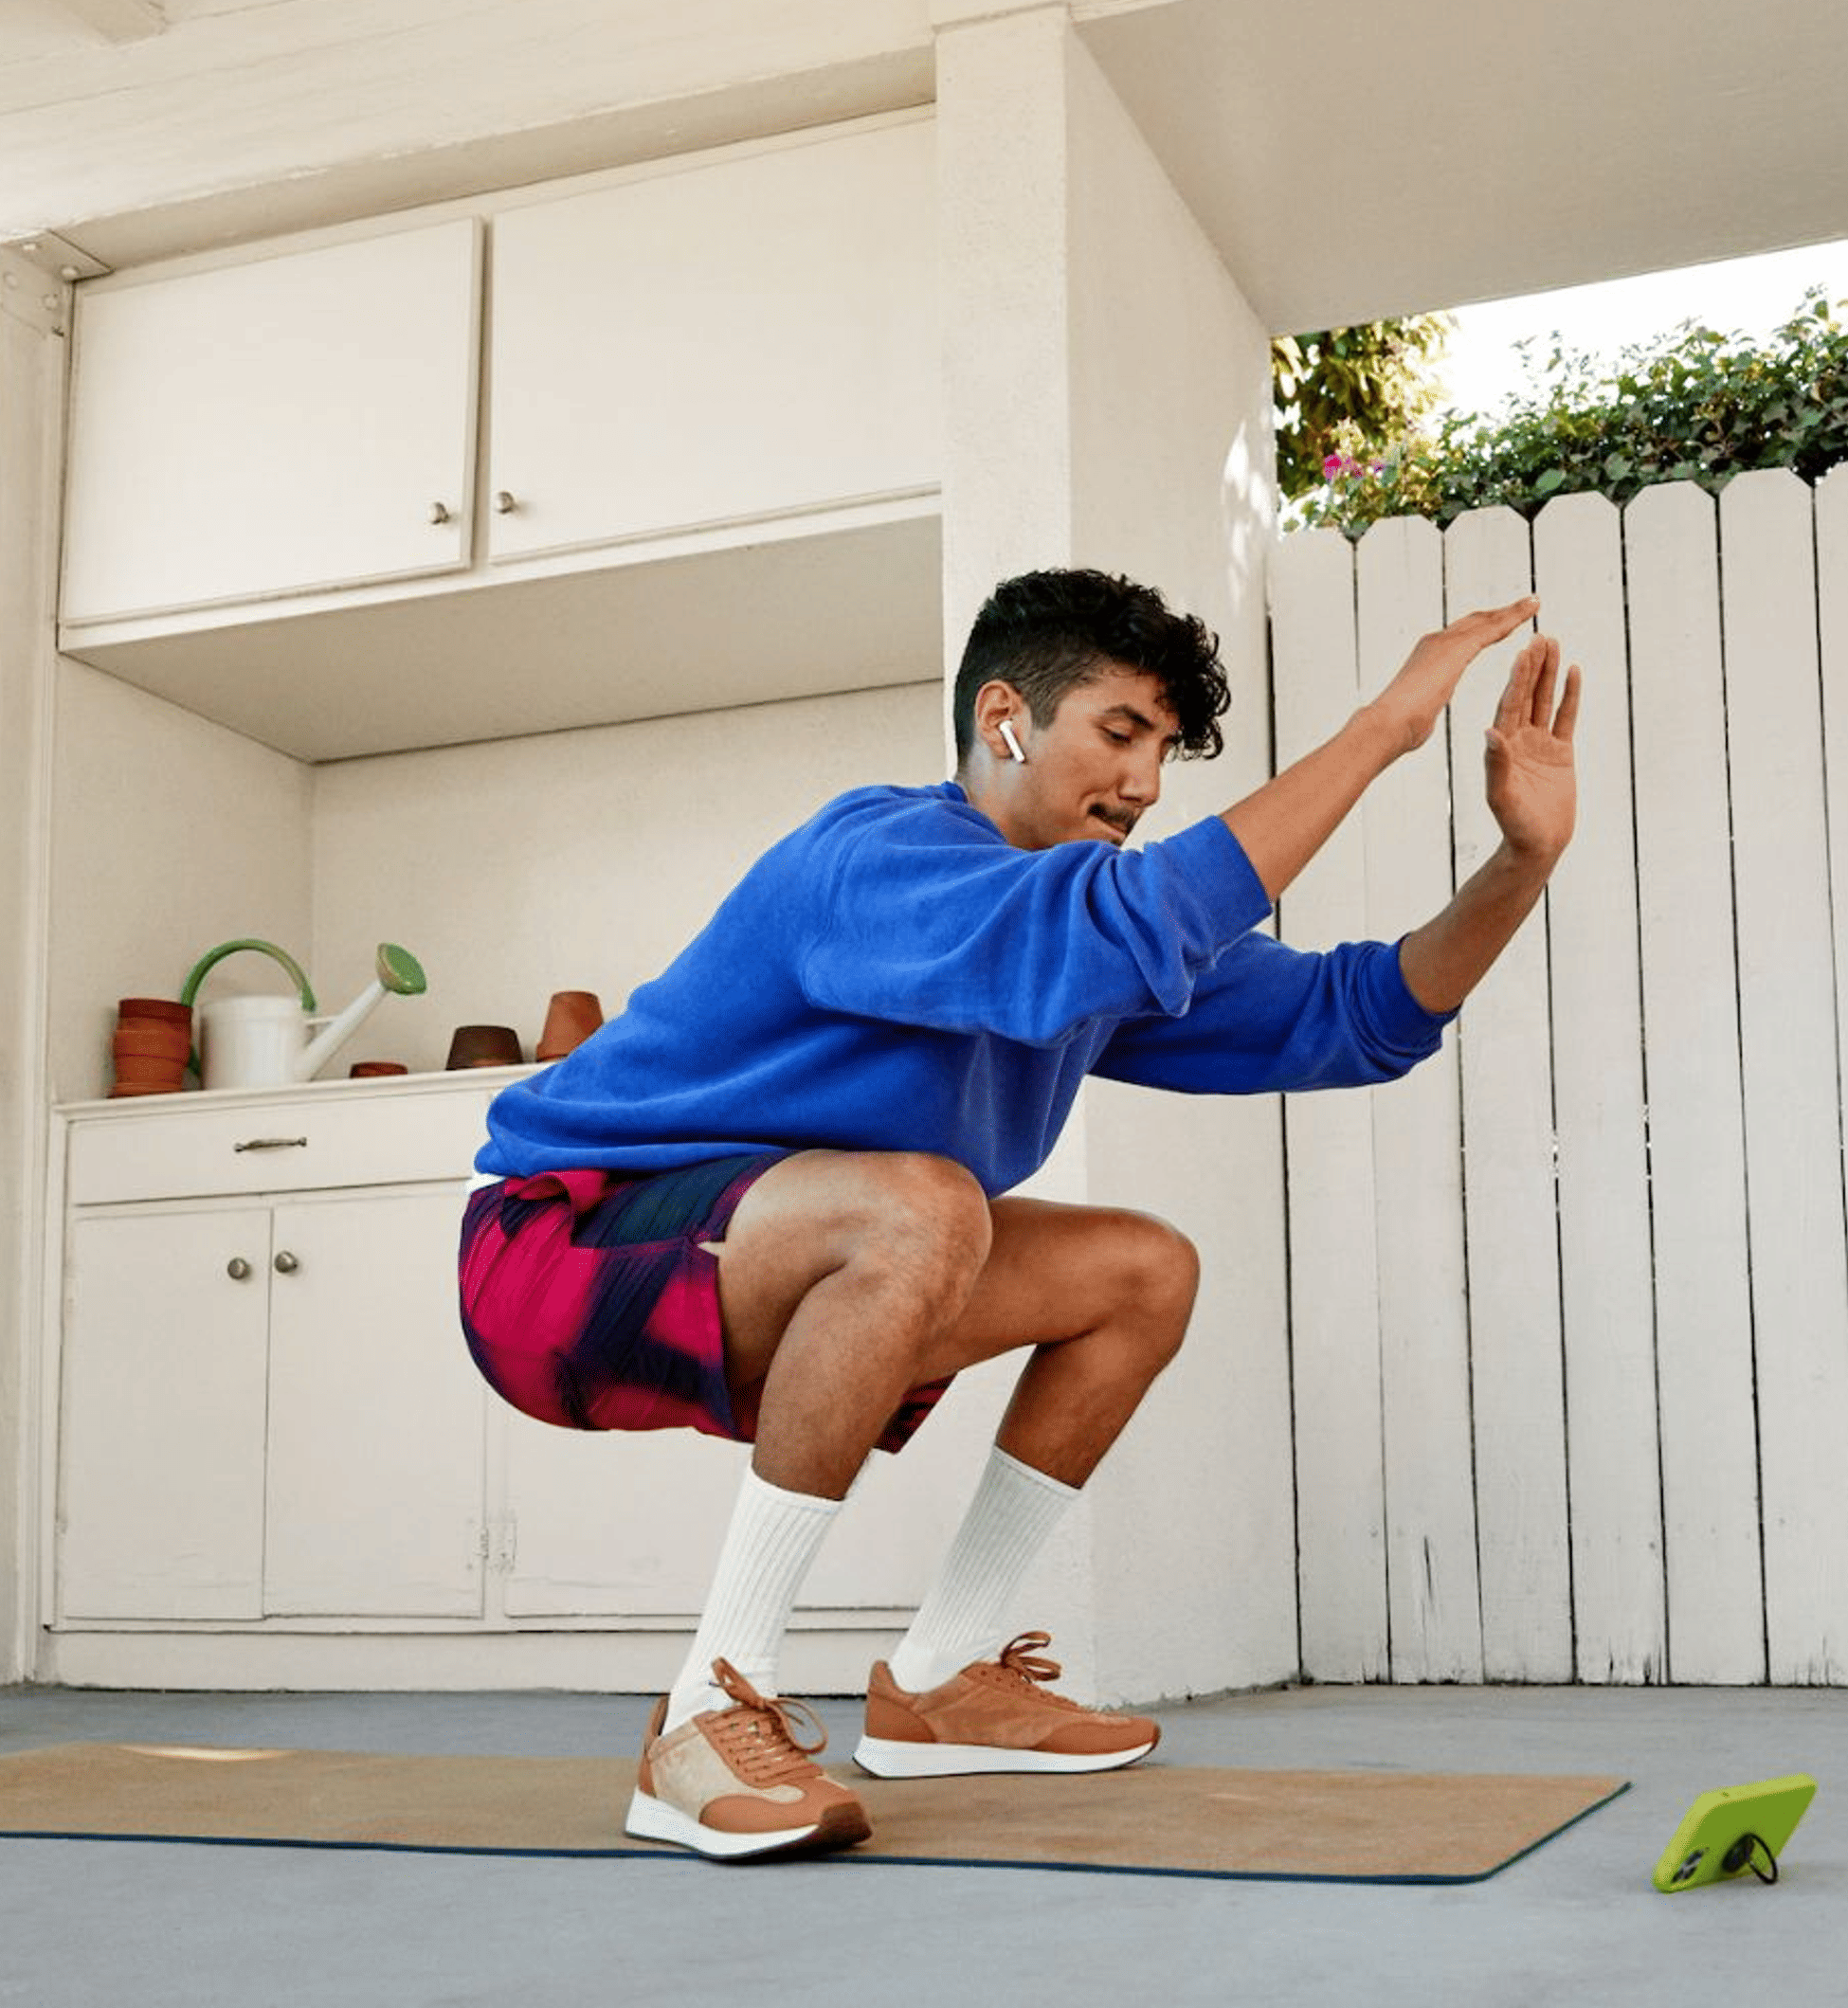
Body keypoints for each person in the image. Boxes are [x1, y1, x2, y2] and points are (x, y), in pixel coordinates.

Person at [454, 565, 1580, 1861]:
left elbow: (1359, 1020)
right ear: (1005, 717)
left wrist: (1522, 858)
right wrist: (1382, 731)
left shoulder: (1076, 923)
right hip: (562, 1252)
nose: (1147, 785)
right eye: (1119, 733)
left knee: (1139, 1270)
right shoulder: (874, 857)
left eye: (1164, 750)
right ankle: (708, 1710)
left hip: (771, 1252)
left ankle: (940, 1679)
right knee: (927, 1209)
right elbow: (1119, 933)